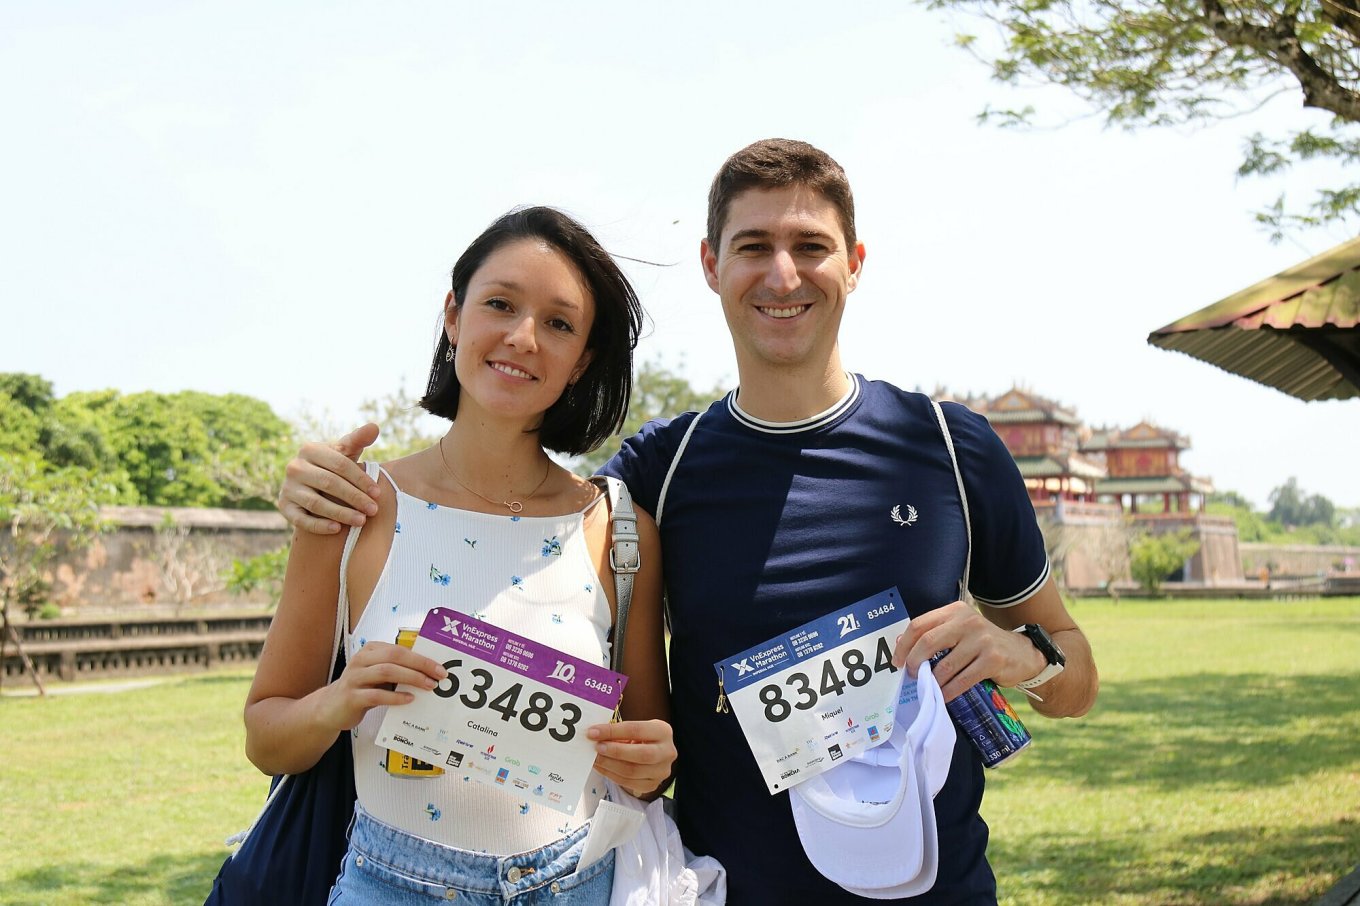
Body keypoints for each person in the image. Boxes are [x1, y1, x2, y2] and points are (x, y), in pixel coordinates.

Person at [276, 140, 1099, 904]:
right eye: (753, 247)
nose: (783, 274)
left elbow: (1077, 678)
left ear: (854, 263)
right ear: (712, 265)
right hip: (724, 889)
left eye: (810, 246)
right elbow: (515, 513)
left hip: (934, 885)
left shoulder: (952, 447)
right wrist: (328, 494)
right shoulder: (655, 474)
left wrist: (1023, 657)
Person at [246, 206, 675, 905]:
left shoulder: (620, 531)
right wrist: (337, 703)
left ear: (582, 360)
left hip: (577, 883)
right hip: (391, 885)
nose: (522, 338)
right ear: (454, 315)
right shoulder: (355, 508)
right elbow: (266, 736)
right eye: (500, 304)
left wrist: (653, 758)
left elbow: (648, 766)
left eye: (560, 324)